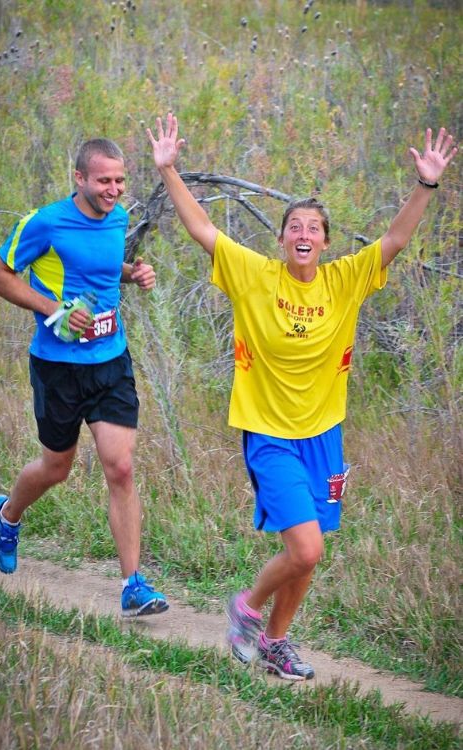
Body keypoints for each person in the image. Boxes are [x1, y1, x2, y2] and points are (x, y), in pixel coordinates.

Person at [147, 114, 457, 679]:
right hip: (268, 432)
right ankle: (245, 608)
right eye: (295, 226)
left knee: (306, 554)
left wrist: (426, 184)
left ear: (326, 241)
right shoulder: (255, 275)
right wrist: (168, 170)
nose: (304, 235)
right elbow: (203, 231)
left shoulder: (346, 280)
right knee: (306, 549)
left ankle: (276, 643)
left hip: (324, 435)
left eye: (314, 228)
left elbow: (395, 239)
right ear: (283, 237)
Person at [0, 137, 169, 618]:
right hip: (57, 368)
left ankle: (133, 584)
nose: (114, 190)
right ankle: (7, 515)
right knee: (56, 468)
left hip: (111, 361)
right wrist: (54, 310)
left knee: (121, 467)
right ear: (80, 178)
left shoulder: (119, 217)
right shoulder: (45, 222)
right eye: (104, 181)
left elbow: (102, 271)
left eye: (120, 181)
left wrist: (133, 274)